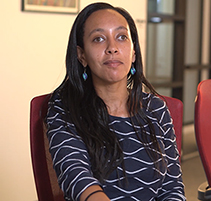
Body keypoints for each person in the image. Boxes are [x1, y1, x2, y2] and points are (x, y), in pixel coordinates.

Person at [45, 2, 186, 201]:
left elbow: (172, 188)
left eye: (121, 37)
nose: (112, 48)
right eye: (98, 39)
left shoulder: (156, 109)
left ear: (134, 51)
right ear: (81, 55)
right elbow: (77, 179)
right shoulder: (65, 108)